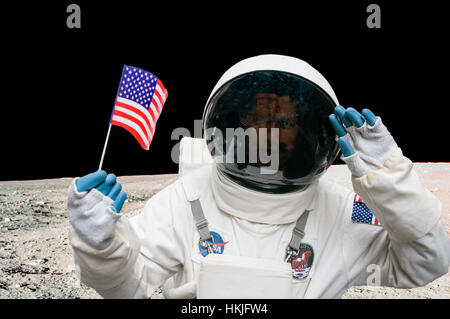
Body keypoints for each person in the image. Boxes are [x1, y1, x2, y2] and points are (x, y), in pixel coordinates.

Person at [67, 54, 450, 299]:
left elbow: (426, 262)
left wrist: (391, 184)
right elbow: (128, 286)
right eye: (258, 119)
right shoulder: (185, 200)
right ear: (236, 122)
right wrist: (102, 249)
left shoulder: (344, 211)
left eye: (284, 122)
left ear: (305, 130)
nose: (270, 133)